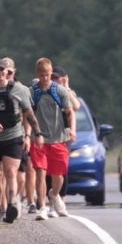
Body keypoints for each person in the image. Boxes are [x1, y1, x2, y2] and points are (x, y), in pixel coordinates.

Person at [0, 58, 43, 224]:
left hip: (13, 137)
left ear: (8, 72)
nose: (0, 73)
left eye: (2, 70)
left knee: (11, 172)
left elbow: (29, 114)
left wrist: (37, 133)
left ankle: (12, 203)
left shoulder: (20, 90)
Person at [29, 58, 76, 221]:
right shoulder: (32, 92)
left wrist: (72, 130)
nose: (45, 78)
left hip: (58, 138)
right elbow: (28, 116)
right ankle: (42, 207)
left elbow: (70, 112)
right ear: (37, 74)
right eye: (42, 75)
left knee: (58, 174)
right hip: (39, 139)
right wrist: (31, 135)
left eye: (47, 75)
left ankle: (54, 195)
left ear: (51, 73)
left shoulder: (60, 91)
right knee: (40, 173)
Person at [45, 65, 81, 217]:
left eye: (57, 78)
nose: (54, 80)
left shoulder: (66, 92)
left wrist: (66, 87)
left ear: (63, 78)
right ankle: (52, 203)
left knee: (61, 170)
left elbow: (76, 106)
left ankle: (61, 200)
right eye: (52, 77)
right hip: (49, 134)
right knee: (48, 170)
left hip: (64, 135)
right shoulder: (46, 91)